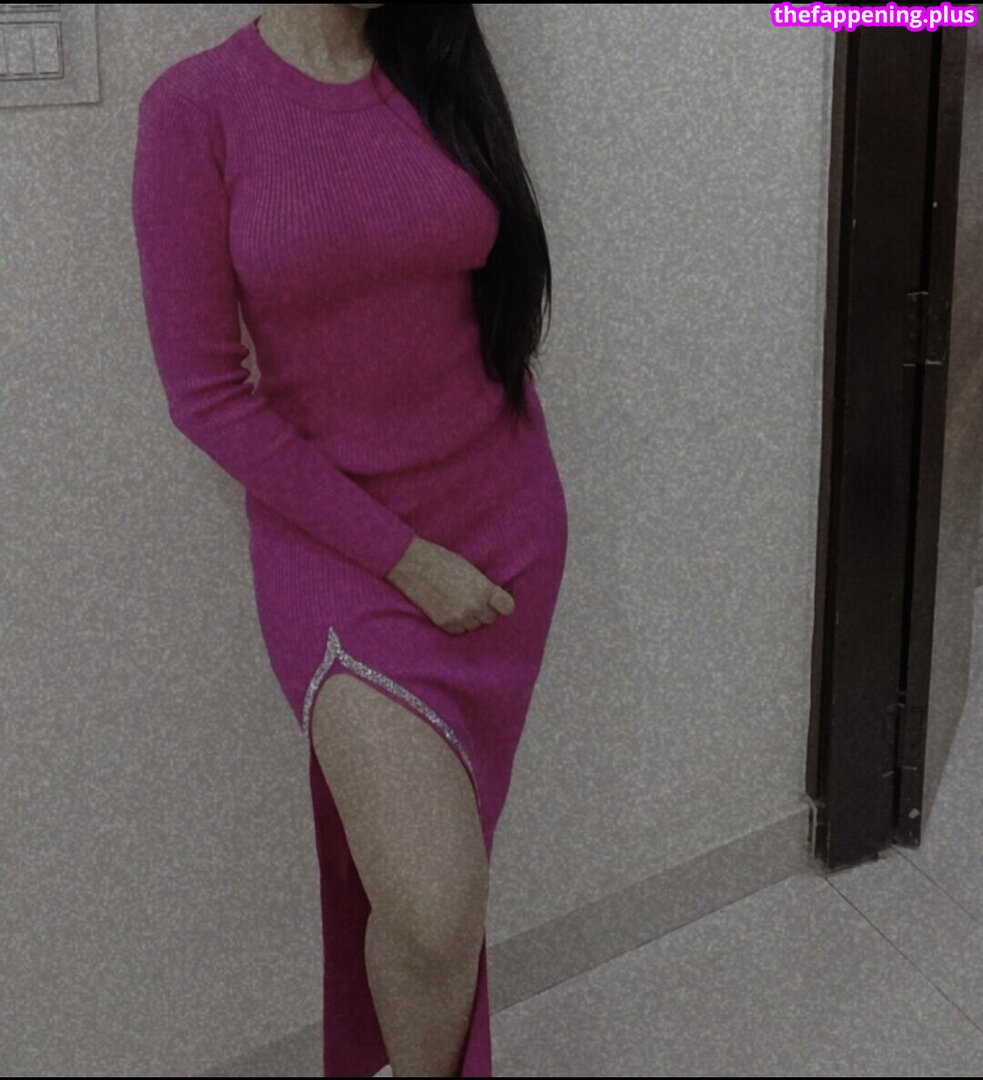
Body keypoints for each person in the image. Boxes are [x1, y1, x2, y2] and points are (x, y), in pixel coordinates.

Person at [130, 4, 568, 1076]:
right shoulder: (194, 109)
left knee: (445, 898)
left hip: (504, 526)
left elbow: (494, 290)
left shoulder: (438, 63)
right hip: (341, 550)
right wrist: (406, 561)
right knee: (431, 905)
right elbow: (205, 397)